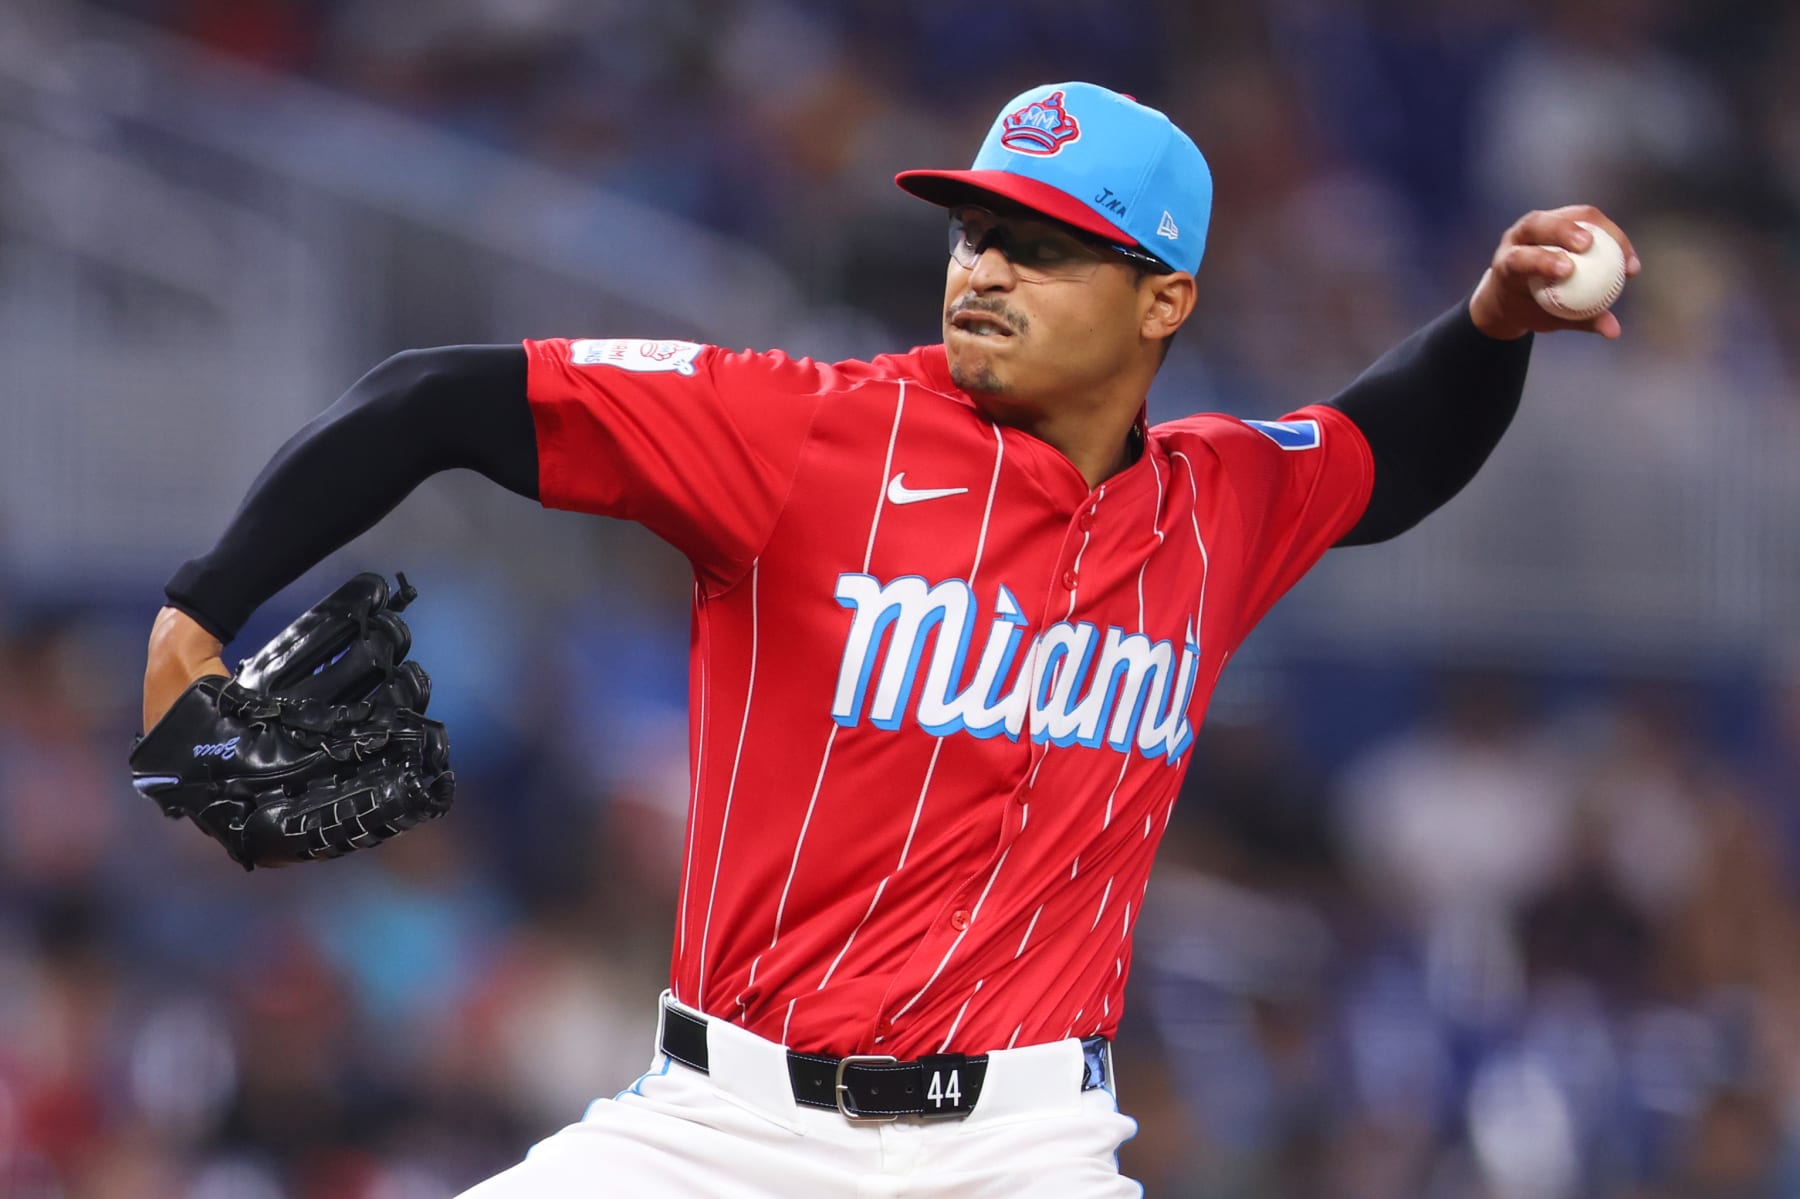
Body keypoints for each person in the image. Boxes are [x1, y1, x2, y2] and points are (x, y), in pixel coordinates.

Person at [139, 82, 1639, 1196]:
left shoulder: (1219, 503)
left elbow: (1391, 450)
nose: (981, 267)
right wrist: (199, 609)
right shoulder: (809, 434)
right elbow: (432, 397)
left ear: (1162, 299)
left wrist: (1494, 325)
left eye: (1043, 246)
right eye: (976, 230)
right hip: (722, 1131)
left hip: (1027, 1144)